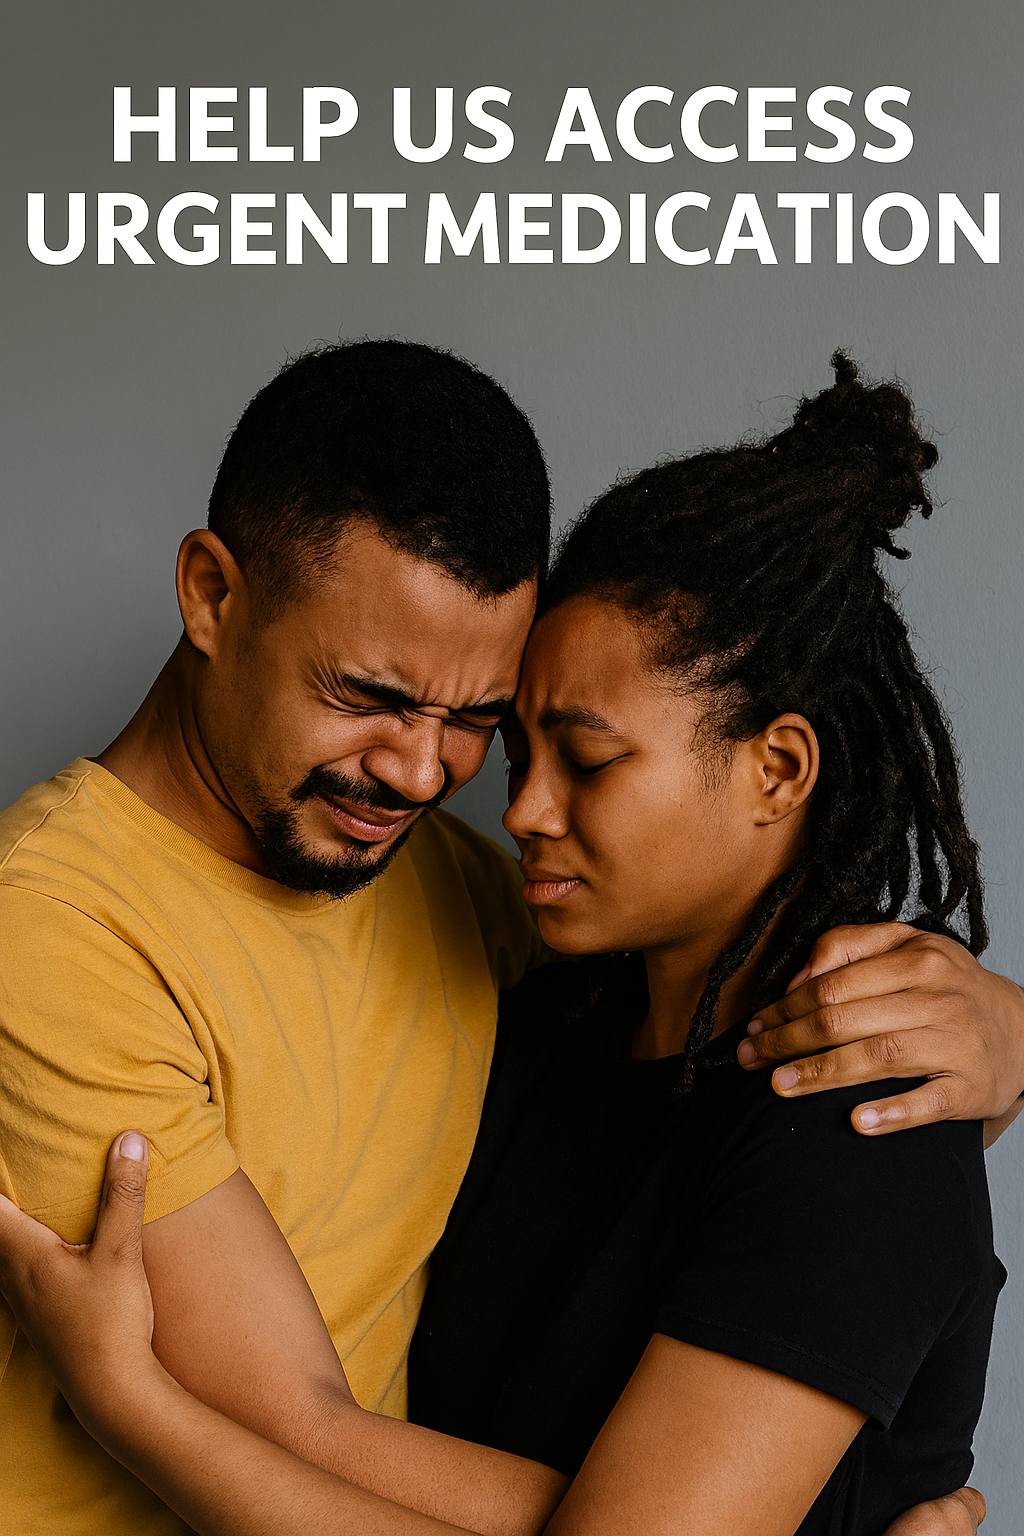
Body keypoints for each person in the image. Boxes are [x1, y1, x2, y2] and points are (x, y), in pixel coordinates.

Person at [0, 344, 1020, 1536]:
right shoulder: (50, 925)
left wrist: (1007, 1038)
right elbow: (291, 1416)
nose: (430, 774)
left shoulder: (471, 905)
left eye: (478, 720)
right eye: (368, 695)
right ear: (213, 596)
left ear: (780, 767)